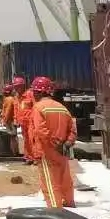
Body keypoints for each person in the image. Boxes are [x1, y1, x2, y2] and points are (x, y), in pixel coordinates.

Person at [29, 75, 76, 208]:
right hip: (62, 150)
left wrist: (54, 143)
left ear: (39, 92)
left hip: (46, 150)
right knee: (64, 178)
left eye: (34, 91)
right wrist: (67, 143)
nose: (33, 94)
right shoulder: (62, 107)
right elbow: (72, 129)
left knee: (50, 181)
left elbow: (40, 130)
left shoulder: (38, 107)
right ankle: (69, 202)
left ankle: (55, 209)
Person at [15, 80, 37, 162]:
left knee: (32, 139)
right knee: (26, 140)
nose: (16, 88)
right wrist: (16, 119)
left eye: (18, 86)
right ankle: (28, 157)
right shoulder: (17, 97)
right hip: (23, 123)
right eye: (15, 87)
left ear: (23, 86)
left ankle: (35, 157)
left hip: (30, 122)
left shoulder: (30, 94)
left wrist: (35, 119)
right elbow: (16, 109)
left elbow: (35, 106)